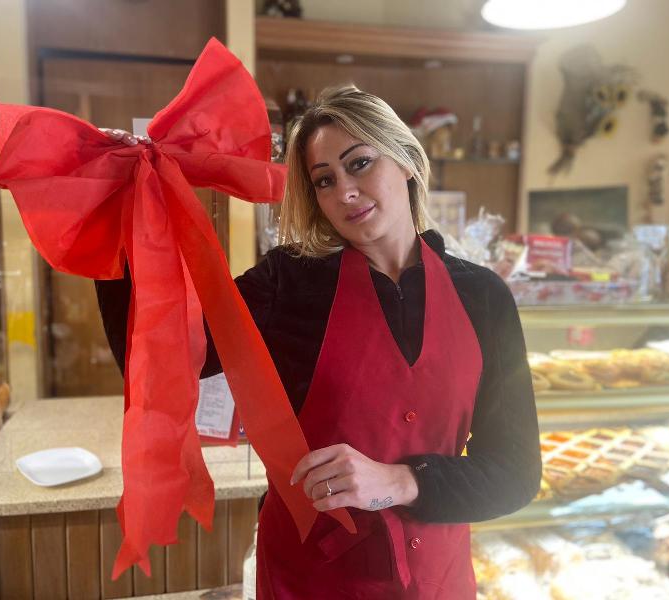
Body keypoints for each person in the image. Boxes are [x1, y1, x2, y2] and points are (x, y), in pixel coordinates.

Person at [95, 85, 541, 599]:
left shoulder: (482, 296)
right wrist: (122, 205)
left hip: (438, 581)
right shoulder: (289, 283)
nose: (344, 191)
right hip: (311, 577)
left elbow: (514, 472)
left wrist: (400, 481)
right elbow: (161, 358)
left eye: (360, 163)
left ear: (406, 161)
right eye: (325, 180)